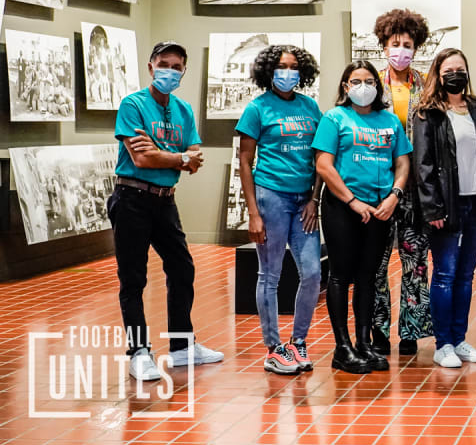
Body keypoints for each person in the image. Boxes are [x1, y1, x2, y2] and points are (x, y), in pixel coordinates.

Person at [109, 41, 222, 381]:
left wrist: (170, 155)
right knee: (133, 278)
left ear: (184, 71)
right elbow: (141, 158)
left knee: (182, 268)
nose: (169, 71)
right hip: (132, 198)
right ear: (150, 66)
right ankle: (139, 351)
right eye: (164, 64)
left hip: (165, 200)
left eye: (176, 66)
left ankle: (182, 345)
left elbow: (196, 159)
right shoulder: (133, 105)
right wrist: (178, 158)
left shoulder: (183, 110)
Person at [313, 61, 412, 374]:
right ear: (345, 86)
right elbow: (324, 166)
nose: (363, 86)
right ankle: (342, 348)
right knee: (341, 275)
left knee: (369, 277)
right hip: (343, 208)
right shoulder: (334, 118)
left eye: (369, 80)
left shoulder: (390, 120)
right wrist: (352, 201)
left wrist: (394, 196)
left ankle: (364, 343)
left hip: (380, 208)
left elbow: (403, 162)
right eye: (355, 81)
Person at [411, 48, 476, 368]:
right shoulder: (427, 113)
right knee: (445, 274)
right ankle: (443, 344)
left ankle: (460, 340)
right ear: (438, 74)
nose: (455, 74)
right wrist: (432, 209)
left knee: (465, 276)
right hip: (446, 204)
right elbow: (422, 165)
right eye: (448, 70)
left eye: (460, 69)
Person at [236, 44, 324, 376]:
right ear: (269, 72)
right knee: (270, 275)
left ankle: (298, 342)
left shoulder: (310, 106)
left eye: (293, 68)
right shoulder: (257, 109)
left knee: (312, 272)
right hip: (271, 196)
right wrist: (253, 212)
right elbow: (245, 161)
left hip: (304, 201)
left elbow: (319, 157)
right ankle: (274, 348)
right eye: (281, 67)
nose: (288, 73)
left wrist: (315, 197)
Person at [370, 8, 433, 357]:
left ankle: (410, 330)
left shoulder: (426, 85)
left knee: (415, 261)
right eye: (395, 44)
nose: (401, 51)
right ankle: (378, 331)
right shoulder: (370, 84)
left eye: (407, 45)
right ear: (384, 45)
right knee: (377, 263)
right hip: (378, 187)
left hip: (416, 191)